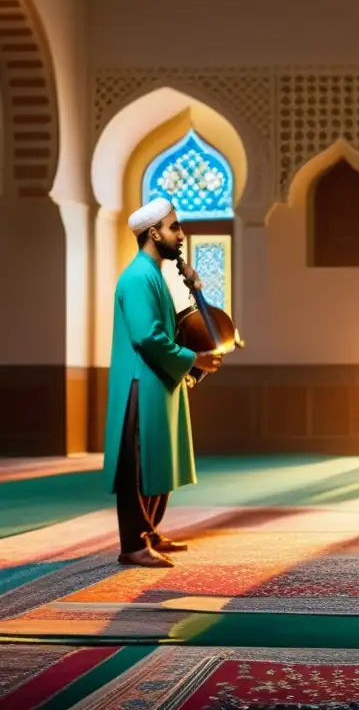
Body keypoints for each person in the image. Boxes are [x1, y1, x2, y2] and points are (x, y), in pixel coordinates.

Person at [102, 197, 222, 568]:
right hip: (140, 383)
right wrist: (192, 360)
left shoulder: (154, 274)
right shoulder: (139, 277)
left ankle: (148, 532)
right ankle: (133, 545)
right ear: (154, 233)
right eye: (175, 228)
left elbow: (170, 330)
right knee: (138, 464)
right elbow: (148, 337)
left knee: (157, 460)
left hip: (158, 381)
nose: (181, 235)